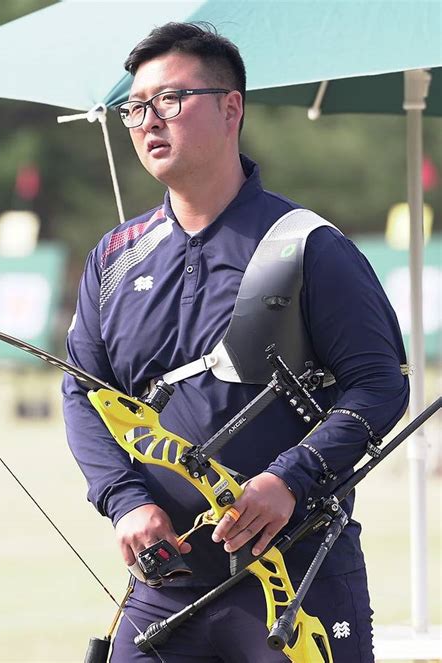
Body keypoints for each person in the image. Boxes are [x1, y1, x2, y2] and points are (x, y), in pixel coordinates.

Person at [63, 22, 409, 663]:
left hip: (298, 579)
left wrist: (289, 479)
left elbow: (381, 384)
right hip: (164, 586)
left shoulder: (306, 244)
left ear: (231, 108)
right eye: (135, 107)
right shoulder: (112, 257)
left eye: (170, 100)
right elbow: (83, 391)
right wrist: (125, 502)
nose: (147, 120)